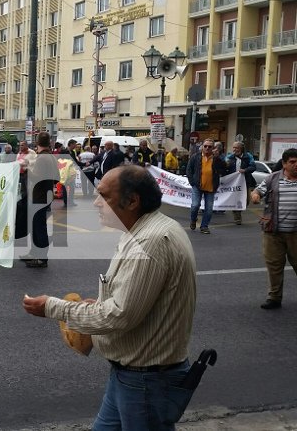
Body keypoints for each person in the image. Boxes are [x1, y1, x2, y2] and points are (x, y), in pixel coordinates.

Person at [23, 165, 197, 429]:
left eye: (104, 196)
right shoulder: (144, 230)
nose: (96, 202)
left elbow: (119, 315)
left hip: (146, 381)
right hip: (131, 374)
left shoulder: (149, 243)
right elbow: (135, 300)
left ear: (132, 201)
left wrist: (52, 307)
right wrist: (100, 304)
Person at [251, 148, 297, 310]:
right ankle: (274, 297)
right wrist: (255, 196)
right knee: (274, 266)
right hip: (273, 232)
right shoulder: (273, 178)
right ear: (284, 164)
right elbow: (258, 191)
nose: (296, 165)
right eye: (292, 162)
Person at [22, 131, 58, 268]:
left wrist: (26, 169)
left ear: (37, 142)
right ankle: (34, 253)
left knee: (38, 228)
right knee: (36, 226)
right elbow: (57, 178)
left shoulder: (42, 158)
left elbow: (36, 177)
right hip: (45, 196)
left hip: (39, 197)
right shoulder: (51, 157)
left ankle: (41, 258)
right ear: (49, 142)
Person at [186, 139, 226, 234]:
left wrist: (218, 159)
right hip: (197, 186)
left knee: (209, 209)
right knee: (195, 205)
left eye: (210, 146)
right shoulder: (195, 157)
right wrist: (192, 182)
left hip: (211, 187)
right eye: (205, 146)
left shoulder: (216, 159)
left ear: (213, 148)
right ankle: (193, 219)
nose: (207, 148)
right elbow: (189, 170)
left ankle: (204, 226)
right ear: (202, 147)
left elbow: (223, 170)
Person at [225, 142, 256, 225]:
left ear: (241, 149)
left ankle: (238, 211)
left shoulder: (248, 156)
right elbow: (224, 167)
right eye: (234, 148)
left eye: (237, 148)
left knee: (246, 200)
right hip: (233, 183)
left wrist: (245, 170)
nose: (235, 150)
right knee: (235, 199)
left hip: (245, 182)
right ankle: (237, 215)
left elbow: (253, 167)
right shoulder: (229, 157)